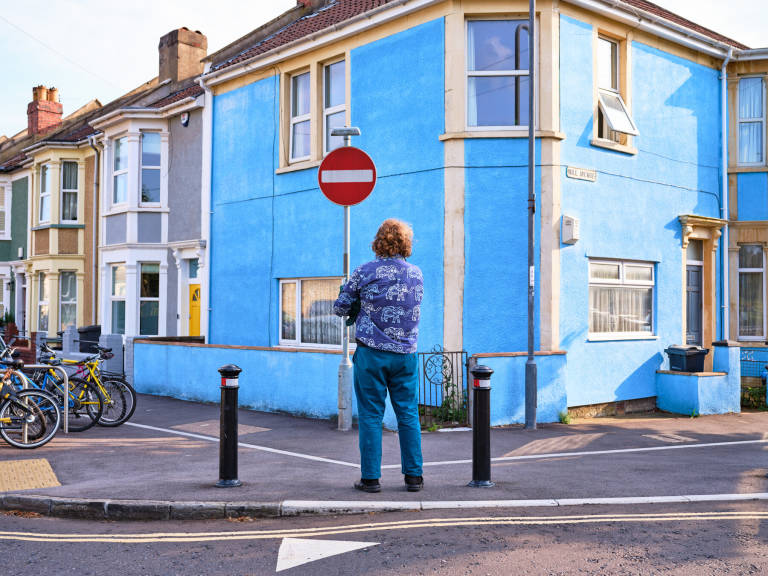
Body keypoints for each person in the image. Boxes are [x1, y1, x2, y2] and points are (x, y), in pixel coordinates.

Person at [333, 218, 424, 493]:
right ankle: (414, 477)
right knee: (408, 414)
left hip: (372, 354)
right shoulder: (416, 273)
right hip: (406, 355)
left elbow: (340, 308)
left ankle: (371, 478)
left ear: (378, 241)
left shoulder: (365, 271)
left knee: (372, 415)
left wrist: (354, 301)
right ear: (406, 244)